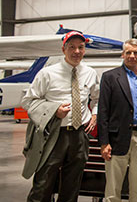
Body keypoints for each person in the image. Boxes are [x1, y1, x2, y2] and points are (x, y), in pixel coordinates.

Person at [21, 31, 99, 202]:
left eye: (81, 47)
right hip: (54, 134)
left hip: (79, 135)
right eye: (72, 47)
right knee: (44, 182)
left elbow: (96, 98)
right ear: (63, 49)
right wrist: (53, 110)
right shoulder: (47, 74)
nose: (76, 51)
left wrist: (94, 114)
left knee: (72, 184)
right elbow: (28, 102)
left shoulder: (90, 73)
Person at [98, 38, 137, 202]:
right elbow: (103, 111)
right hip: (116, 139)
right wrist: (104, 142)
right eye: (128, 52)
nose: (132, 56)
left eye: (136, 53)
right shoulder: (110, 77)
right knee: (113, 189)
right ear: (123, 55)